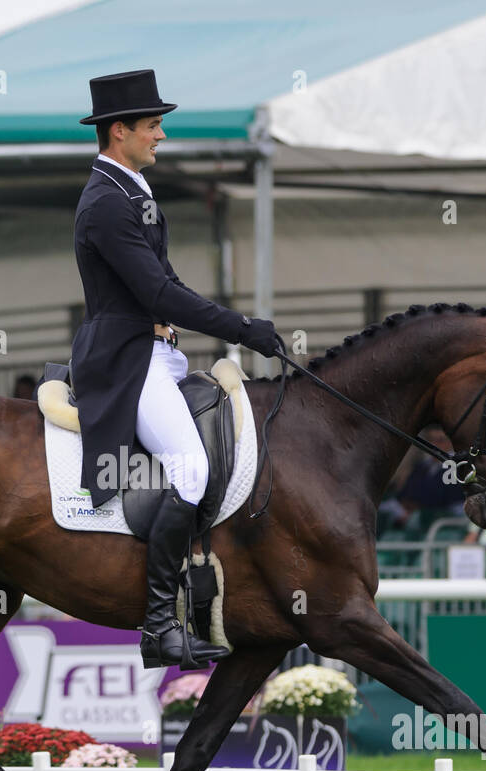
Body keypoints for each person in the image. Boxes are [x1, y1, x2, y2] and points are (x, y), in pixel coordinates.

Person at [70, 69, 283, 670]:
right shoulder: (106, 203)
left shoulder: (131, 191)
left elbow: (166, 284)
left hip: (159, 354)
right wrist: (243, 330)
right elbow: (158, 296)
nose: (161, 135)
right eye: (152, 125)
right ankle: (160, 624)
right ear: (120, 132)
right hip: (127, 363)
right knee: (189, 470)